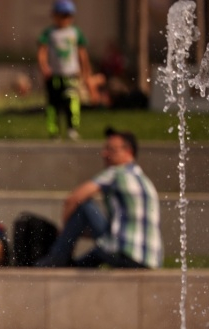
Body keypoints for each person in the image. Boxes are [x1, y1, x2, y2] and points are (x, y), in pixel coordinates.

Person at [35, 127, 162, 269]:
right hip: (150, 261)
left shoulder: (116, 172)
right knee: (93, 254)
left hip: (124, 253)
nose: (104, 154)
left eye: (110, 150)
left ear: (128, 151)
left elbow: (73, 198)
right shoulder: (146, 182)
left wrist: (64, 231)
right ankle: (74, 266)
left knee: (84, 206)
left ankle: (53, 261)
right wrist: (77, 229)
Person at [37, 0, 91, 140]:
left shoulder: (75, 32)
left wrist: (85, 71)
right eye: (62, 15)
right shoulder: (50, 33)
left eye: (68, 16)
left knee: (71, 101)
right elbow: (42, 51)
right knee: (52, 106)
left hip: (71, 74)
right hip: (54, 75)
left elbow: (82, 53)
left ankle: (72, 128)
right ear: (54, 15)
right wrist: (44, 67)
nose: (65, 19)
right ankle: (53, 131)